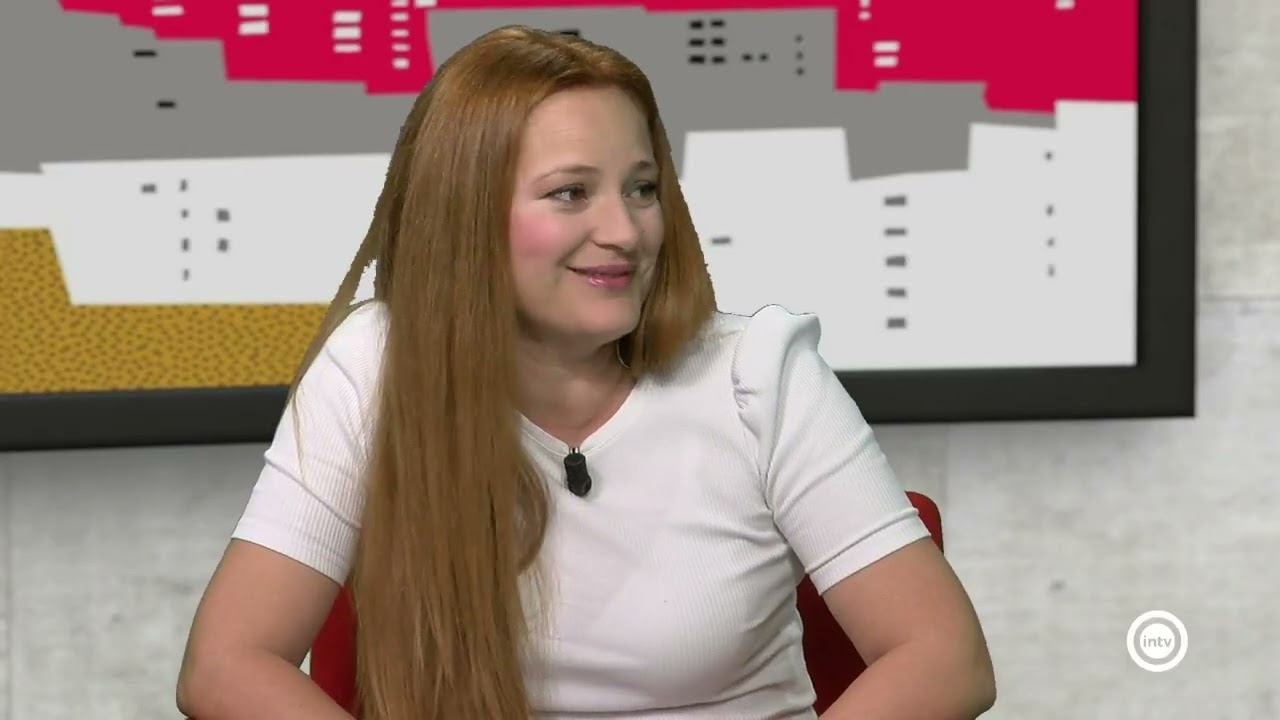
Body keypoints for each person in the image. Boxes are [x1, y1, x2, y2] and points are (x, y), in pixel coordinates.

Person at [176, 25, 995, 720]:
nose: (626, 232)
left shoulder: (761, 374)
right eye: (571, 193)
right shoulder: (376, 365)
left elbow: (944, 658)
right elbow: (226, 666)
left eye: (642, 189)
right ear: (465, 214)